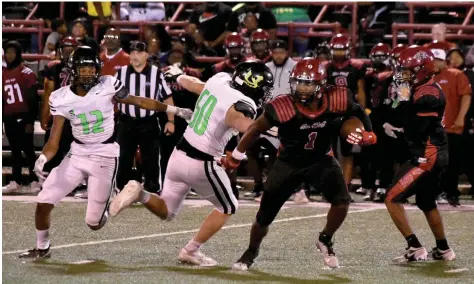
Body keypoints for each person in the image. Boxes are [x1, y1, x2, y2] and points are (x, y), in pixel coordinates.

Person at [18, 46, 193, 259]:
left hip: (105, 155)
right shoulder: (60, 97)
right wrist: (43, 157)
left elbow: (139, 100)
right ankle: (42, 247)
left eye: (92, 69)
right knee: (44, 201)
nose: (89, 73)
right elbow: (54, 140)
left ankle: (127, 198)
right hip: (77, 155)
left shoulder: (109, 84)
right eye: (83, 69)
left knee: (94, 223)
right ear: (73, 70)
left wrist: (173, 111)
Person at [109, 60, 274, 266]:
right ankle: (191, 250)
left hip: (179, 154)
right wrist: (274, 128)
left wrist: (177, 76)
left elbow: (192, 83)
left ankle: (139, 192)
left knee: (167, 211)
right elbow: (250, 129)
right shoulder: (241, 105)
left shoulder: (220, 80)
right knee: (229, 206)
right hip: (201, 162)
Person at [225, 58, 376, 270]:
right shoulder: (282, 106)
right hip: (289, 162)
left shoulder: (337, 99)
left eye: (308, 84)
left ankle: (325, 239)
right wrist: (237, 154)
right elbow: (255, 130)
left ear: (321, 85)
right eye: (299, 83)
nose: (303, 89)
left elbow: (357, 111)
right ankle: (251, 251)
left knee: (342, 201)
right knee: (264, 216)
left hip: (321, 159)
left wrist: (368, 131)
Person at [384, 46, 455, 262]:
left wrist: (402, 101)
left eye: (408, 71)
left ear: (422, 70)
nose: (404, 75)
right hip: (433, 152)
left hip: (427, 155)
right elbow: (398, 116)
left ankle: (414, 246)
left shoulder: (428, 94)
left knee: (392, 198)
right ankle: (443, 249)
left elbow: (414, 127)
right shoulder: (421, 88)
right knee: (426, 202)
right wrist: (399, 103)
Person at [115, 41, 176, 195]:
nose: (135, 56)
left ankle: (153, 189)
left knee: (152, 158)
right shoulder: (120, 73)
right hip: (126, 120)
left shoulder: (156, 73)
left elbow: (167, 97)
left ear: (146, 55)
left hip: (148, 122)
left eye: (139, 52)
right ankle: (121, 188)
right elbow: (110, 97)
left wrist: (171, 120)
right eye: (132, 52)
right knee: (123, 157)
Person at [325, 33, 368, 190]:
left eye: (341, 50)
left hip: (349, 114)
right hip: (330, 113)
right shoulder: (326, 68)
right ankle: (332, 186)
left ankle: (346, 186)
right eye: (336, 50)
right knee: (330, 152)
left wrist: (362, 113)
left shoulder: (356, 67)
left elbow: (361, 91)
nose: (338, 53)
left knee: (348, 151)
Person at [431, 47, 472, 206]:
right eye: (432, 60)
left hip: (451, 127)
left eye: (438, 60)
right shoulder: (426, 77)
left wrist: (461, 117)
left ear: (444, 61)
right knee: (432, 163)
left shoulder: (456, 74)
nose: (434, 63)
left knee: (452, 163)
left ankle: (451, 194)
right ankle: (434, 193)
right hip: (433, 128)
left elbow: (466, 96)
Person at [2, 41, 40, 194]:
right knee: (14, 151)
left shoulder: (27, 72)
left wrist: (30, 120)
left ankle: (35, 180)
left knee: (28, 150)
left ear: (18, 53)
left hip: (23, 116)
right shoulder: (3, 73)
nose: (10, 55)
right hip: (9, 117)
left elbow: (33, 99)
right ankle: (15, 181)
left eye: (13, 52)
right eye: (7, 52)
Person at [41, 36, 78, 175]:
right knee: (54, 146)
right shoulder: (53, 67)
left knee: (75, 150)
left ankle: (74, 180)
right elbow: (48, 93)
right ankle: (50, 178)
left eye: (70, 49)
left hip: (76, 114)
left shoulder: (83, 67)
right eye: (65, 49)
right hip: (59, 113)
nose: (68, 52)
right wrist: (45, 115)